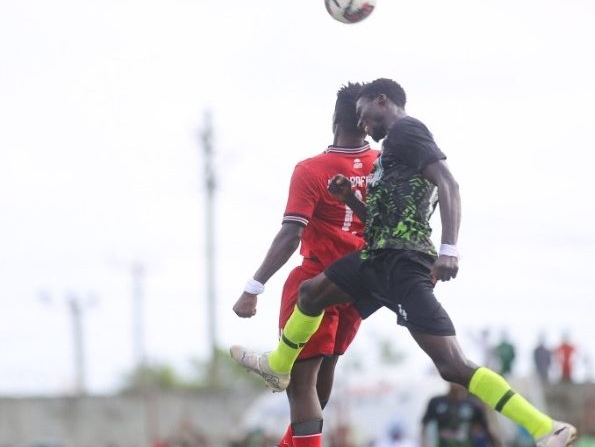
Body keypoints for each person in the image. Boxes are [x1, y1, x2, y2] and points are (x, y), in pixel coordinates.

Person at [231, 78, 577, 447]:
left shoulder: (406, 131)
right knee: (310, 293)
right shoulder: (385, 156)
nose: (365, 127)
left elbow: (449, 183)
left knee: (452, 365)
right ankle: (279, 363)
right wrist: (350, 198)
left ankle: (545, 426)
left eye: (366, 117)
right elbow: (381, 219)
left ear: (383, 102)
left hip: (402, 264)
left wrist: (450, 248)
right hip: (375, 258)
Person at [231, 82, 378, 447]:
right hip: (360, 282)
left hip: (317, 281)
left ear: (334, 119)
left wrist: (253, 287)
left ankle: (274, 367)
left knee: (300, 384)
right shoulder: (383, 165)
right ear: (366, 122)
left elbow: (291, 234)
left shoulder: (313, 170)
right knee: (322, 377)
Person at [421, 383, 499, 447]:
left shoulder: (474, 404)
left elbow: (487, 429)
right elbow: (424, 425)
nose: (455, 383)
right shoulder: (436, 401)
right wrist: (424, 443)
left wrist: (496, 444)